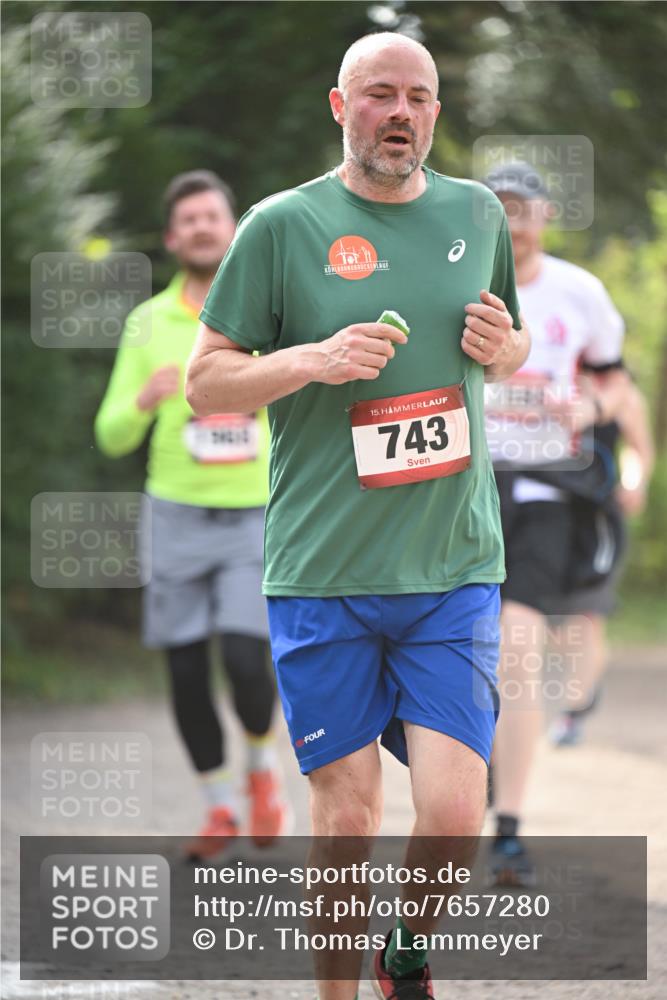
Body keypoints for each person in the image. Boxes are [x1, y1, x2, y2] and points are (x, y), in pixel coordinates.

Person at [187, 33, 529, 1000]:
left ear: (434, 112)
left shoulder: (476, 212)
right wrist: (310, 360)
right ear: (340, 107)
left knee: (456, 816)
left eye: (418, 98)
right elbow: (205, 385)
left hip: (452, 564)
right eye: (379, 95)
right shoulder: (279, 226)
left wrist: (506, 349)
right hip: (323, 571)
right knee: (345, 820)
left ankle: (403, 951)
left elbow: (507, 344)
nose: (400, 114)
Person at [95, 170, 289, 860]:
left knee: (243, 655)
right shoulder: (148, 322)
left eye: (214, 216)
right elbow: (110, 434)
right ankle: (217, 808)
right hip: (173, 514)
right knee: (182, 670)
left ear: (234, 229)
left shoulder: (270, 313)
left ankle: (263, 776)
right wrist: (143, 401)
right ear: (174, 238)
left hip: (252, 513)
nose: (204, 227)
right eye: (190, 219)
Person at [482, 162, 630, 885]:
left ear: (543, 214)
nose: (511, 221)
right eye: (497, 207)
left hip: (544, 493)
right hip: (459, 491)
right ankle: (468, 770)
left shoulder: (580, 292)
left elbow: (613, 379)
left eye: (521, 208)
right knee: (453, 655)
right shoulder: (454, 280)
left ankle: (506, 828)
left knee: (517, 652)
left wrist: (594, 410)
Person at [548, 379, 654, 747]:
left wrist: (634, 482)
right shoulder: (551, 377)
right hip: (547, 513)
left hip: (597, 517)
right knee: (548, 619)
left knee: (587, 613)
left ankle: (574, 710)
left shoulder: (622, 394)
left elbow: (639, 449)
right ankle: (585, 688)